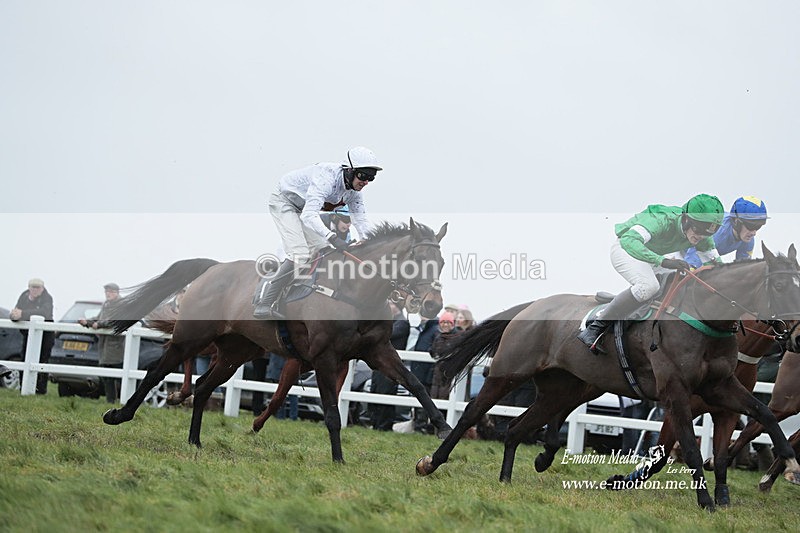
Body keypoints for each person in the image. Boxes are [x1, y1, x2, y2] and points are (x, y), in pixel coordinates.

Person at [577, 193, 724, 353]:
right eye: (698, 229)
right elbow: (629, 240)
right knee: (649, 286)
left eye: (709, 232)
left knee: (682, 282)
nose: (701, 236)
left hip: (652, 256)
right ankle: (596, 327)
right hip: (626, 250)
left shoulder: (702, 236)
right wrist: (663, 261)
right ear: (686, 218)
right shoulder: (661, 219)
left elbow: (717, 266)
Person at [253, 146, 382, 320]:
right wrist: (333, 237)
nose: (366, 182)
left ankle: (303, 291)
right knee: (299, 253)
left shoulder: (354, 193)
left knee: (324, 249)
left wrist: (368, 242)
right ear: (350, 171)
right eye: (363, 176)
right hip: (285, 202)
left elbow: (361, 221)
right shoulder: (326, 178)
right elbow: (308, 215)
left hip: (303, 208)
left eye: (371, 178)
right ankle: (265, 301)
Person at [682, 196, 768, 268]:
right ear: (736, 221)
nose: (754, 233)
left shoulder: (748, 241)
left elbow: (741, 270)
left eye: (758, 227)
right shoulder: (718, 233)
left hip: (700, 254)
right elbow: (692, 261)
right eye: (751, 226)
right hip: (680, 250)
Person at [79, 283, 124, 403]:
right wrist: (88, 322)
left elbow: (115, 321)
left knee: (119, 374)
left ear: (116, 292)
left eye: (110, 291)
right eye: (106, 292)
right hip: (105, 344)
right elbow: (99, 317)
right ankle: (111, 401)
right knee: (106, 375)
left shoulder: (121, 305)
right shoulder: (106, 304)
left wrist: (99, 325)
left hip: (116, 345)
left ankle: (124, 400)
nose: (108, 294)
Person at [369, 301, 410, 430]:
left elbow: (385, 336)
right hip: (379, 364)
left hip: (390, 366)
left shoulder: (402, 323)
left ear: (397, 307)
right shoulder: (389, 322)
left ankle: (384, 425)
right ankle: (375, 423)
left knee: (386, 393)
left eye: (390, 304)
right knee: (375, 391)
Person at [9, 278, 55, 394]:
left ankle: (40, 391)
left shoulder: (47, 298)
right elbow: (17, 310)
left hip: (45, 336)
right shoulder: (24, 296)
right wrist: (14, 316)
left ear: (42, 289)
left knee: (42, 362)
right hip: (28, 335)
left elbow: (45, 313)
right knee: (25, 359)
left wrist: (23, 314)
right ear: (29, 288)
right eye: (32, 287)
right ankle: (23, 388)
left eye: (37, 288)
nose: (34, 290)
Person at [408, 312, 440, 433]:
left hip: (426, 373)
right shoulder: (425, 329)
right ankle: (418, 424)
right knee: (418, 399)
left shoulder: (433, 329)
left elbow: (432, 351)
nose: (423, 316)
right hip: (419, 371)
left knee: (423, 399)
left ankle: (421, 426)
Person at [430, 311, 458, 400]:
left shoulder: (457, 337)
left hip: (448, 372)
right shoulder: (438, 337)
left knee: (444, 395)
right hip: (437, 372)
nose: (445, 325)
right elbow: (433, 350)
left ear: (452, 324)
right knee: (434, 395)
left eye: (448, 322)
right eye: (443, 322)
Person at [266, 352, 298, 420]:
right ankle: (292, 416)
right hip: (289, 368)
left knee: (281, 394)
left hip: (278, 368)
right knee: (292, 394)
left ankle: (281, 416)